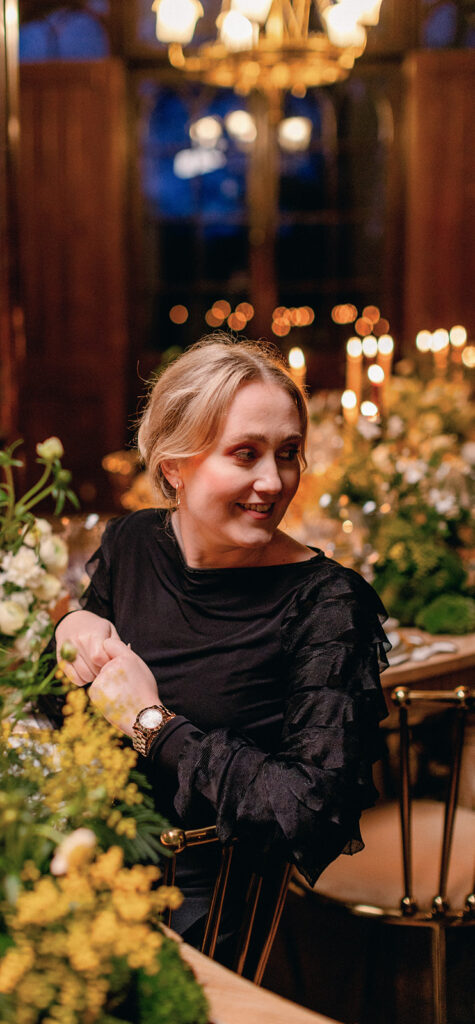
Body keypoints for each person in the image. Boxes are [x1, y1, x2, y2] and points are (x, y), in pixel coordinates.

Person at [54, 334, 389, 963]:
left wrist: (152, 726)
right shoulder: (131, 544)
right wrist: (71, 629)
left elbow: (314, 812)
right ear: (173, 465)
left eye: (287, 454)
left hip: (201, 911)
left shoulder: (327, 603)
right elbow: (71, 705)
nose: (274, 481)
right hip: (81, 869)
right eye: (245, 454)